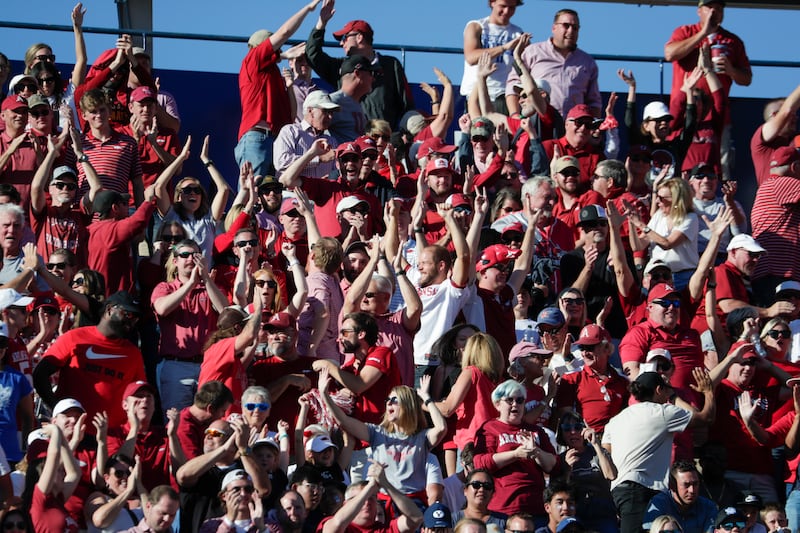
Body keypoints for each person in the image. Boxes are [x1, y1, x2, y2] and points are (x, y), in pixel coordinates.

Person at [602, 371, 715, 533]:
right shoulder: (663, 412)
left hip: (620, 492)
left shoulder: (616, 420)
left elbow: (605, 457)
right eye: (667, 389)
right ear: (659, 390)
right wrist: (706, 392)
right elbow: (706, 418)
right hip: (640, 491)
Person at [317, 369, 446, 504]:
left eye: (395, 400)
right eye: (388, 399)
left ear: (408, 406)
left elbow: (441, 427)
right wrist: (324, 395)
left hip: (414, 502)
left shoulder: (421, 437)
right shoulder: (377, 433)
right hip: (384, 502)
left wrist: (427, 398)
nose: (389, 403)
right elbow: (344, 421)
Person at [32, 291, 146, 429]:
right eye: (128, 314)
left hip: (112, 436)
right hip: (74, 432)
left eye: (136, 318)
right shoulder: (74, 338)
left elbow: (139, 395)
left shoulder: (133, 353)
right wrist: (58, 407)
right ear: (110, 310)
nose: (132, 321)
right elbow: (40, 374)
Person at [235, 0, 321, 177]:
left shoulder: (272, 76)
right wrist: (308, 9)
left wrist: (289, 87)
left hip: (274, 141)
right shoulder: (252, 60)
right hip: (257, 138)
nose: (276, 49)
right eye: (273, 46)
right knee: (252, 194)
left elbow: (290, 116)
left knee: (271, 199)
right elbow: (285, 32)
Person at [305, 0, 414, 130]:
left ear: (359, 37)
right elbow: (312, 55)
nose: (341, 43)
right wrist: (321, 23)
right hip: (351, 144)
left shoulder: (391, 65)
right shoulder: (343, 67)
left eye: (344, 37)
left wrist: (399, 137)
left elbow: (406, 104)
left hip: (383, 142)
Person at [152, 238, 229, 412]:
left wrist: (206, 280)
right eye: (185, 255)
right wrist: (191, 284)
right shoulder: (165, 287)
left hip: (207, 364)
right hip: (176, 365)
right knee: (176, 423)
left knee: (209, 421)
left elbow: (226, 312)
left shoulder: (211, 287)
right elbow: (162, 308)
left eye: (195, 255)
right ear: (175, 261)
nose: (190, 259)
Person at [473, 379, 559, 519]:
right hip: (503, 509)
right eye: (509, 400)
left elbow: (554, 466)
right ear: (497, 404)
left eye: (520, 400)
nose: (515, 404)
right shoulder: (489, 428)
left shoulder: (536, 431)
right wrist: (515, 454)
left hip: (535, 508)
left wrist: (536, 451)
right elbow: (480, 463)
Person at [506, 9, 600, 119]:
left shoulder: (587, 62)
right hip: (539, 126)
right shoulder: (533, 52)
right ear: (553, 28)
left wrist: (593, 129)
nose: (571, 31)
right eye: (566, 25)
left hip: (573, 128)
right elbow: (513, 85)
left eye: (575, 28)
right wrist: (515, 115)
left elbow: (594, 103)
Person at [312, 312, 401, 425]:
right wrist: (341, 392)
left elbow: (359, 385)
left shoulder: (382, 353)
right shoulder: (348, 368)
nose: (338, 339)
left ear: (361, 334)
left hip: (385, 434)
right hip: (359, 435)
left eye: (344, 333)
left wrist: (328, 365)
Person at [154, 136, 231, 259]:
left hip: (203, 275)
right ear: (179, 197)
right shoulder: (172, 216)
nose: (193, 193)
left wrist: (206, 160)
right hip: (177, 275)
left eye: (197, 190)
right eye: (187, 190)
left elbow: (224, 189)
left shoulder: (208, 220)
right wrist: (181, 158)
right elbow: (158, 187)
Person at [628, 177, 699, 291]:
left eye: (661, 198)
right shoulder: (659, 215)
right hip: (657, 275)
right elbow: (638, 246)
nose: (657, 201)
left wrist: (640, 224)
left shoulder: (690, 218)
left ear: (676, 200)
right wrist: (631, 221)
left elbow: (667, 244)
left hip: (682, 278)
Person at [555, 324, 629, 433]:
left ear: (607, 349)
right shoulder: (571, 379)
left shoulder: (622, 381)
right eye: (582, 348)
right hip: (585, 442)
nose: (584, 353)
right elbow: (565, 419)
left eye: (589, 348)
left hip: (616, 439)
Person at [77, 89, 144, 205]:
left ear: (109, 110)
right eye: (93, 111)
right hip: (85, 218)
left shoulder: (128, 143)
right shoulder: (78, 144)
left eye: (102, 110)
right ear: (84, 115)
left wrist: (142, 214)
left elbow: (137, 183)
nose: (98, 115)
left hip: (117, 216)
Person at [750, 146, 800, 304]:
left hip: (772, 272)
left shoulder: (769, 185)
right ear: (795, 167)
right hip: (778, 272)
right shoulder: (784, 183)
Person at [319, 461, 424, 533]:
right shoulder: (336, 524)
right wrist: (369, 487)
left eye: (371, 498)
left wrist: (385, 483)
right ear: (345, 504)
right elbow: (336, 526)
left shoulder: (386, 529)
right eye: (362, 498)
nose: (367, 502)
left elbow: (416, 517)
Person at [553, 413, 616, 533]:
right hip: (576, 513)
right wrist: (567, 469)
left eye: (577, 427)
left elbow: (611, 475)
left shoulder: (598, 452)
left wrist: (596, 444)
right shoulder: (560, 459)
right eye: (567, 428)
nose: (573, 432)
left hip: (603, 511)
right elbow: (558, 492)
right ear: (561, 434)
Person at [87, 189, 156, 295]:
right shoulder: (110, 229)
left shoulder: (92, 229)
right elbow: (139, 221)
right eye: (124, 203)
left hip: (100, 294)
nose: (128, 207)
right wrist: (148, 200)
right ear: (115, 208)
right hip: (112, 299)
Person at [460, 0, 525, 113]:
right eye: (503, 6)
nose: (506, 11)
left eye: (512, 8)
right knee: (479, 130)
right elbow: (471, 57)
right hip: (477, 95)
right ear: (492, 3)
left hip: (505, 97)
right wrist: (503, 48)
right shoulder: (476, 26)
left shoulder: (518, 33)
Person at [273, 90, 340, 179]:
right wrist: (318, 159)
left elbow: (337, 171)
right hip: (292, 191)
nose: (330, 116)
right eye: (326, 111)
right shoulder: (290, 131)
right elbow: (281, 163)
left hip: (322, 192)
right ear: (310, 111)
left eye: (331, 112)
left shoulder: (331, 141)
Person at [642, 461, 718, 533]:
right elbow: (650, 530)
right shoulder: (659, 503)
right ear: (672, 486)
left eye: (695, 484)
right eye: (686, 485)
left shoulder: (708, 507)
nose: (692, 490)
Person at [750, 84, 800, 186]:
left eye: (796, 113)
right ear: (774, 115)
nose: (796, 117)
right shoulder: (761, 136)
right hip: (774, 201)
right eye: (793, 114)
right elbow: (787, 110)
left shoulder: (795, 140)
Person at [84, 454, 145, 532]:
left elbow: (153, 519)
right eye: (119, 473)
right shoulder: (99, 497)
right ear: (107, 478)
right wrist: (128, 491)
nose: (125, 477)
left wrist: (138, 483)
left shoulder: (138, 500)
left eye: (129, 473)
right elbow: (99, 521)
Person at [176, 380, 234, 461]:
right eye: (223, 411)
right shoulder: (183, 429)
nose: (223, 415)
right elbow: (194, 466)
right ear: (210, 409)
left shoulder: (203, 421)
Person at [198, 469, 266, 532]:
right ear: (224, 496)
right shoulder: (211, 525)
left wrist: (262, 528)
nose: (243, 494)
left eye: (248, 489)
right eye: (236, 490)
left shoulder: (268, 525)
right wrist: (228, 523)